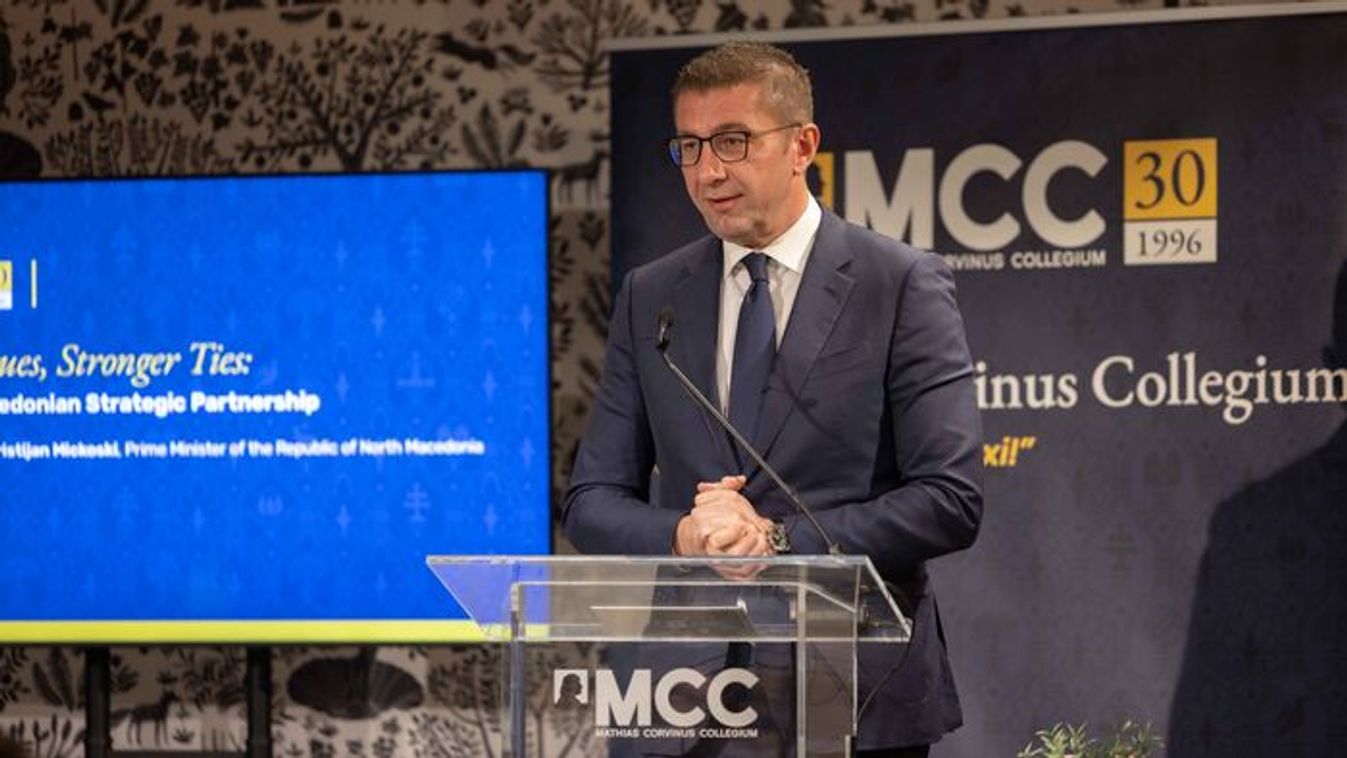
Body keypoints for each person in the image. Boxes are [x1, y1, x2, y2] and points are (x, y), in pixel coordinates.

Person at [564, 41, 983, 757]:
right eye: (690, 147)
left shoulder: (899, 283)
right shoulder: (651, 295)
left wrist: (779, 540)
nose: (708, 171)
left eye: (733, 141)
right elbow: (591, 501)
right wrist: (686, 535)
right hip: (686, 697)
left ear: (801, 146)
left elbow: (949, 499)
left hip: (852, 691)